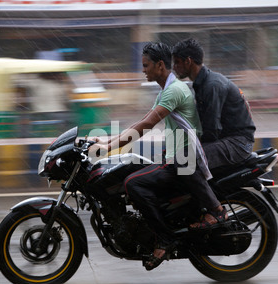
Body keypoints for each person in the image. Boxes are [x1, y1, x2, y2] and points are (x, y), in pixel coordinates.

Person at [90, 42, 221, 270]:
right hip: (176, 154)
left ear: (160, 65)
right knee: (132, 169)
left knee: (134, 183)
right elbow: (141, 121)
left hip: (185, 158)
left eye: (146, 65)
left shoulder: (174, 90)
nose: (143, 70)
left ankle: (165, 238)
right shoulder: (166, 90)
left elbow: (147, 125)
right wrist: (106, 142)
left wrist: (108, 148)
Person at [172, 38, 256, 229]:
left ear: (188, 61)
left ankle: (216, 211)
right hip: (227, 140)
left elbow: (211, 130)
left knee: (185, 161)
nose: (174, 67)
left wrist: (187, 148)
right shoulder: (201, 84)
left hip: (237, 143)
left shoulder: (211, 85)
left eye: (177, 62)